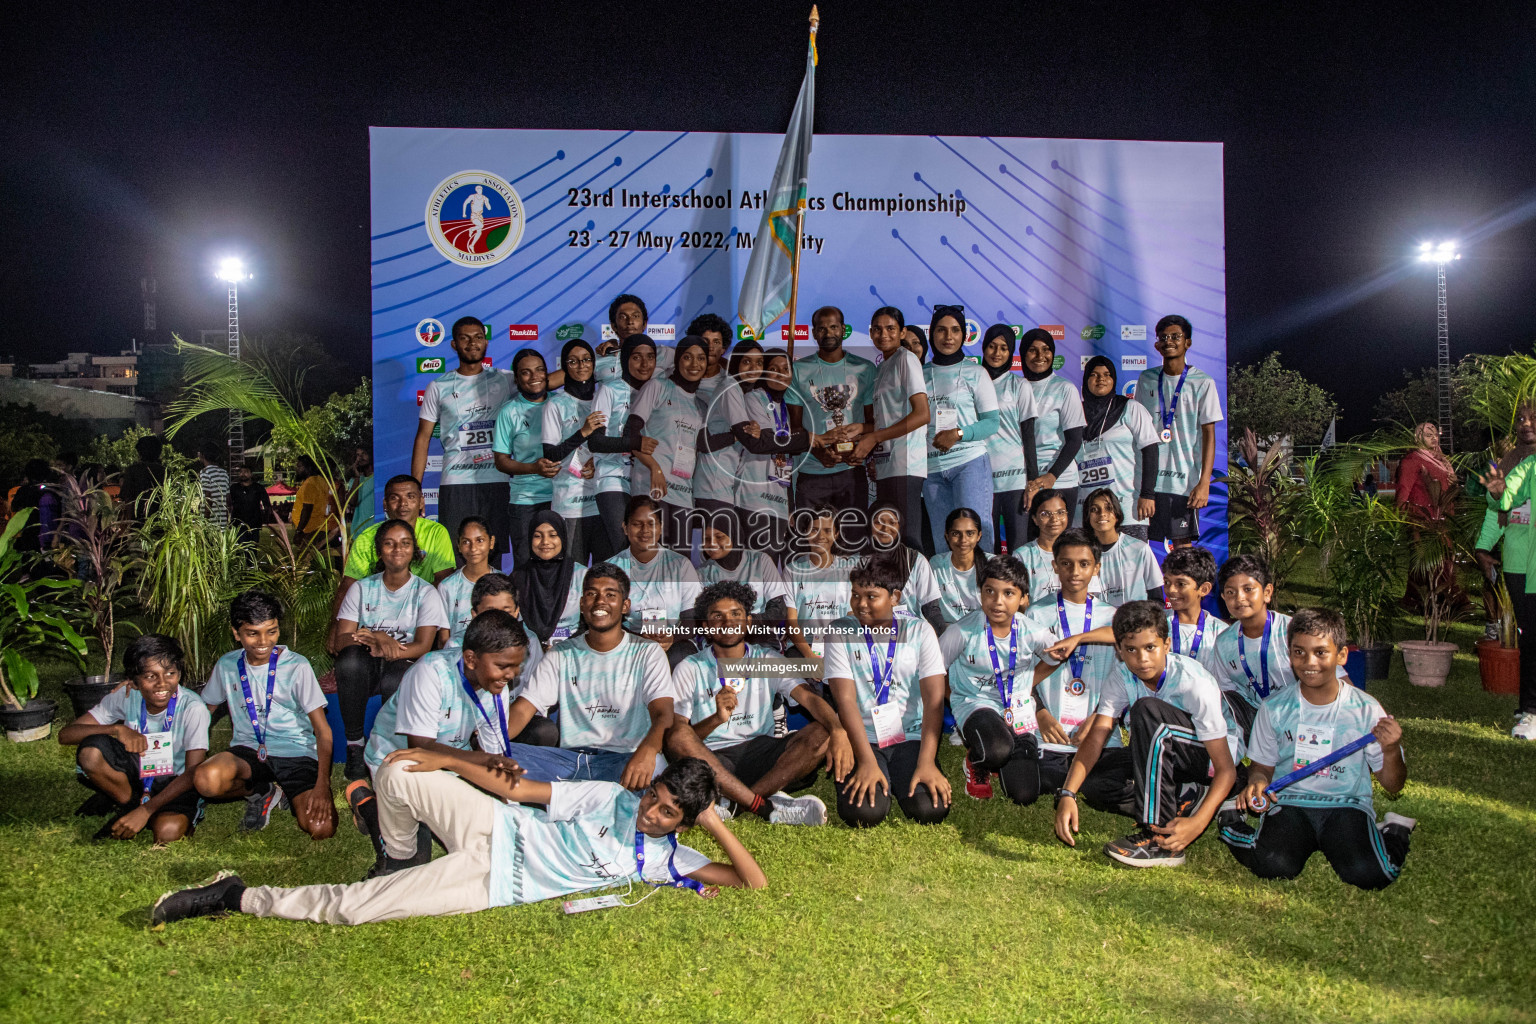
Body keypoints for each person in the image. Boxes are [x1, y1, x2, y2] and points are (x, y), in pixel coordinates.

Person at [151, 756, 764, 927]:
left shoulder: (667, 858)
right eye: (654, 800)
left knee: (352, 910)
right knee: (397, 772)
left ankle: (236, 896)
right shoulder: (611, 796)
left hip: (490, 881)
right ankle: (399, 850)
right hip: (495, 826)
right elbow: (521, 794)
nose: (652, 815)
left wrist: (711, 823)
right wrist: (441, 759)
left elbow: (750, 882)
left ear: (683, 822)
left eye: (667, 814)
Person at [1219, 608, 1414, 889]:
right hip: (1291, 804)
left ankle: (1395, 830)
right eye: (1299, 652)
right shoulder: (1273, 708)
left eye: (1321, 652)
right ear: (1290, 654)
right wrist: (1258, 781)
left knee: (1370, 874)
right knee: (1273, 864)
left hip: (1346, 805)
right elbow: (1262, 766)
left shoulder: (1366, 709)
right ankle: (1229, 819)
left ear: (1342, 656)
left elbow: (1393, 786)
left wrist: (1392, 749)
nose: (1309, 662)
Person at [1054, 601, 1241, 868]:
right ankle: (1184, 797)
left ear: (1166, 645)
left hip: (1209, 759)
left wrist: (1198, 825)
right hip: (1162, 751)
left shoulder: (1192, 683)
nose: (1142, 659)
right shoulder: (1121, 677)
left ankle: (1160, 838)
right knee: (1096, 782)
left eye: (1150, 648)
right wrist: (1067, 794)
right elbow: (1097, 737)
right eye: (1131, 649)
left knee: (1148, 712)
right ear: (1119, 650)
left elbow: (1226, 768)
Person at [351, 610, 534, 871]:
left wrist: (512, 808)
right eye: (503, 666)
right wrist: (479, 759)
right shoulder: (430, 672)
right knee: (412, 863)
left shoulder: (496, 688)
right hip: (399, 763)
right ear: (471, 659)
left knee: (489, 834)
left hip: (452, 763)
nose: (510, 675)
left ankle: (399, 812)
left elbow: (494, 754)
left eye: (516, 666)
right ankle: (369, 806)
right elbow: (420, 749)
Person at [666, 581, 849, 823]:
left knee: (822, 732)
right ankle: (768, 806)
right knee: (679, 739)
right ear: (705, 627)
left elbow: (810, 699)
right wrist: (716, 719)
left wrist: (838, 729)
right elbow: (676, 740)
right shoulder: (691, 667)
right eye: (717, 616)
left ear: (748, 621)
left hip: (759, 754)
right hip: (713, 758)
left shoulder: (767, 659)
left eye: (736, 614)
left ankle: (738, 804)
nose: (728, 623)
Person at [496, 563, 678, 786]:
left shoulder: (647, 652)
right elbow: (524, 709)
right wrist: (492, 742)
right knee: (501, 757)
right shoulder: (562, 654)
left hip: (624, 760)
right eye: (592, 594)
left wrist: (648, 751)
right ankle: (587, 796)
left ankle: (569, 797)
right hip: (570, 761)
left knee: (658, 767)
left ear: (625, 606)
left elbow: (664, 715)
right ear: (582, 604)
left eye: (610, 594)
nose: (600, 601)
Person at [195, 591, 336, 838]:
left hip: (296, 753)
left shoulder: (297, 666)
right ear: (236, 633)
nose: (263, 641)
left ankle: (292, 791)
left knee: (320, 828)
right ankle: (263, 792)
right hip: (249, 750)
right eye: (253, 633)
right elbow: (204, 710)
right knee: (206, 780)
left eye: (271, 631)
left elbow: (323, 732)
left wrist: (323, 785)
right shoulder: (227, 665)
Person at [825, 562, 950, 827]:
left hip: (910, 735)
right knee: (864, 814)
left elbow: (934, 702)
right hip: (863, 739)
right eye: (856, 594)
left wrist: (927, 762)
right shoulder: (839, 631)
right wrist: (867, 761)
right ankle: (881, 772)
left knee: (930, 810)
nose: (861, 604)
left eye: (871, 596)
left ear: (894, 597)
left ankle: (898, 774)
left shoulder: (920, 631)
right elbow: (845, 701)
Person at [59, 634, 210, 843]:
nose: (162, 684)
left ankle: (137, 809)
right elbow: (66, 734)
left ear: (179, 673)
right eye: (150, 676)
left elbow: (194, 771)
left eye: (170, 673)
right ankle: (129, 804)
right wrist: (115, 729)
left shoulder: (193, 709)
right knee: (91, 753)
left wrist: (146, 811)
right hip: (139, 773)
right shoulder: (128, 695)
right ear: (134, 681)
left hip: (177, 784)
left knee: (168, 832)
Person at [333, 518, 451, 780]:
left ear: (415, 551)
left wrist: (388, 646)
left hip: (404, 660)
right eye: (389, 543)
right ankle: (354, 745)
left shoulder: (426, 592)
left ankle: (389, 749)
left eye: (405, 543)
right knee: (349, 661)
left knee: (397, 678)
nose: (397, 549)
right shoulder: (362, 588)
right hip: (367, 662)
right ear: (379, 550)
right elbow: (341, 641)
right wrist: (375, 638)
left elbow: (421, 646)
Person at [940, 556, 1055, 803]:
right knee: (996, 751)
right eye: (990, 591)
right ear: (980, 593)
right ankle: (976, 760)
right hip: (976, 705)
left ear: (1023, 598)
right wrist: (957, 696)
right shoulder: (961, 631)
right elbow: (932, 671)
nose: (997, 601)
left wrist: (1027, 685)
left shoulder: (1032, 631)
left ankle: (1006, 745)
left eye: (1008, 593)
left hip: (1018, 711)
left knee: (1023, 795)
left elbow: (1055, 658)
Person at [412, 315, 513, 561]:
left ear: (486, 342)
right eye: (464, 338)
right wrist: (415, 492)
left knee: (493, 556)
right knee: (456, 555)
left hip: (496, 479)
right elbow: (423, 438)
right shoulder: (438, 386)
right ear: (454, 345)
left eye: (478, 337)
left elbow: (546, 381)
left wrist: (599, 359)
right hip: (456, 481)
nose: (472, 343)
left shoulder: (505, 379)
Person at [787, 306, 876, 552]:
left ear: (843, 330)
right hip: (812, 471)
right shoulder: (798, 370)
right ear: (814, 333)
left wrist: (861, 451)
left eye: (834, 326)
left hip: (851, 470)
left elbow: (873, 423)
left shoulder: (865, 369)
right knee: (809, 545)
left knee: (852, 542)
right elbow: (795, 427)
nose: (828, 332)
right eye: (822, 328)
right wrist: (818, 452)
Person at [1132, 315, 1223, 548]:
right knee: (1140, 545)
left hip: (1184, 484)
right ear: (1156, 345)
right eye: (1163, 337)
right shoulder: (1146, 379)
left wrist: (1204, 483)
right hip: (1149, 483)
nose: (1169, 341)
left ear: (1188, 343)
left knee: (1182, 549)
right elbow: (1138, 430)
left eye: (1175, 336)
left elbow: (1209, 436)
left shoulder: (1203, 382)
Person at [920, 305, 999, 554]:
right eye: (941, 330)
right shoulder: (919, 374)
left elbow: (991, 422)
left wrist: (959, 433)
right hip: (931, 469)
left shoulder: (976, 372)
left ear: (964, 335)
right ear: (932, 334)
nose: (948, 337)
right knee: (943, 543)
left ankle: (984, 590)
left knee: (977, 540)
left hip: (969, 464)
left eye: (955, 330)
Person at [856, 306, 930, 552]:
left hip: (906, 462)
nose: (883, 334)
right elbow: (888, 419)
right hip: (887, 463)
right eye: (877, 329)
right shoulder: (882, 366)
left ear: (902, 332)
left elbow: (922, 414)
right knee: (889, 538)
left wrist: (874, 436)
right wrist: (862, 430)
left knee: (907, 537)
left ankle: (917, 590)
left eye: (890, 328)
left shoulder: (906, 358)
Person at [628, 335, 708, 549]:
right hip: (651, 490)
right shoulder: (657, 387)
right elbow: (630, 435)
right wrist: (655, 467)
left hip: (683, 496)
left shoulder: (701, 405)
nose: (695, 364)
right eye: (688, 357)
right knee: (650, 559)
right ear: (678, 359)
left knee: (678, 566)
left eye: (701, 358)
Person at [585, 335, 661, 561]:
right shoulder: (609, 390)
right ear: (625, 359)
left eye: (650, 357)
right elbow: (595, 441)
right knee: (623, 548)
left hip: (646, 479)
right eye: (637, 357)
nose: (645, 364)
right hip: (613, 477)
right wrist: (633, 443)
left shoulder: (660, 390)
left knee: (648, 550)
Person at [608, 495, 703, 665]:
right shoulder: (611, 569)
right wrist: (639, 638)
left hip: (673, 642)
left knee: (682, 659)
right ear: (625, 528)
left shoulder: (680, 565)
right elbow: (606, 621)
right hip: (627, 642)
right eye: (637, 524)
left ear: (661, 527)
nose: (645, 530)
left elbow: (692, 618)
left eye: (651, 524)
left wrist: (671, 637)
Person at [737, 347, 811, 562]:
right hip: (753, 498)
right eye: (772, 368)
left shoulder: (790, 408)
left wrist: (789, 506)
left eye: (785, 369)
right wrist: (806, 438)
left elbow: (785, 453)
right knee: (759, 564)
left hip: (779, 499)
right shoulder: (753, 398)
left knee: (774, 566)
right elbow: (764, 441)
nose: (779, 374)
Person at [337, 475, 456, 610]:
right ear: (385, 504)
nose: (402, 504)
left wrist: (408, 608)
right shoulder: (367, 537)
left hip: (422, 609)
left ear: (421, 502)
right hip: (378, 611)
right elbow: (349, 585)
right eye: (394, 498)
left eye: (410, 497)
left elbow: (444, 581)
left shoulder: (436, 532)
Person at [1212, 553, 1295, 743]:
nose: (1239, 598)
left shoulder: (1293, 632)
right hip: (1255, 720)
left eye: (1248, 589)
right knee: (1221, 702)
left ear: (1267, 592)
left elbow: (1336, 681)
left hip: (1297, 715)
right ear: (1223, 597)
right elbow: (1227, 697)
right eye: (1231, 592)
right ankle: (1230, 764)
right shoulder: (1224, 642)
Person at [1077, 356, 1159, 539]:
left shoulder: (1130, 408)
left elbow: (1151, 451)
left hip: (1127, 509)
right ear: (1085, 381)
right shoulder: (1075, 412)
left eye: (1107, 375)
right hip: (1086, 513)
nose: (1101, 379)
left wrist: (1148, 494)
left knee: (1131, 567)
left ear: (1114, 379)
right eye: (1094, 375)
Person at [492, 348, 560, 568]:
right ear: (517, 378)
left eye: (540, 370)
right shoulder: (509, 411)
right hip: (525, 500)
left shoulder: (562, 404)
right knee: (526, 567)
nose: (535, 377)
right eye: (526, 372)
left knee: (558, 565)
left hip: (562, 497)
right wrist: (534, 468)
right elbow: (501, 461)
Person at [541, 339, 604, 565]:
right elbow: (551, 454)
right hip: (570, 506)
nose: (581, 365)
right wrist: (583, 431)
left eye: (587, 359)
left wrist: (597, 462)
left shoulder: (604, 399)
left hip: (602, 503)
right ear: (565, 366)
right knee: (572, 577)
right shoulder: (556, 405)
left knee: (603, 576)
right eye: (573, 361)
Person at [980, 324, 1039, 557]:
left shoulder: (1019, 385)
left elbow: (1029, 437)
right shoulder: (974, 380)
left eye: (1004, 348)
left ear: (1011, 352)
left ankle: (1023, 593)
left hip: (1014, 478)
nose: (997, 353)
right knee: (986, 545)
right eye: (992, 346)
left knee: (1019, 546)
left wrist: (1032, 482)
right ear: (984, 348)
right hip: (981, 477)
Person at [1019, 328, 1086, 531]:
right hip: (1021, 480)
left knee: (1059, 548)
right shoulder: (1015, 386)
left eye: (1046, 349)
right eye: (1033, 350)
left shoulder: (1064, 388)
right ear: (1023, 354)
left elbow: (1074, 440)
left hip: (1059, 480)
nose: (1040, 356)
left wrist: (1050, 477)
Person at [693, 336, 757, 546]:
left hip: (722, 486)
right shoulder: (731, 386)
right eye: (747, 362)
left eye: (759, 363)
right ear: (736, 362)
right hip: (714, 484)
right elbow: (745, 434)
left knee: (718, 549)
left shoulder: (741, 391)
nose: (753, 368)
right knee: (719, 549)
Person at [1399, 420, 1461, 612]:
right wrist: (1399, 516)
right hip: (1423, 519)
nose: (1434, 437)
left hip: (1443, 518)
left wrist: (1454, 481)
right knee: (1430, 560)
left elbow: (1450, 488)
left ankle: (1438, 599)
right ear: (1418, 438)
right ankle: (1427, 600)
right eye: (1428, 435)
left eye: (1435, 434)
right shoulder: (1413, 459)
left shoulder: (1441, 459)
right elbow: (1404, 490)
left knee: (1443, 559)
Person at [784, 505, 857, 661]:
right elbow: (791, 621)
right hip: (803, 647)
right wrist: (810, 656)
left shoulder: (848, 569)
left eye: (827, 531)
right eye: (814, 529)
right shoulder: (792, 571)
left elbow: (851, 616)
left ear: (836, 534)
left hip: (839, 645)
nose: (820, 536)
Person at [699, 521, 790, 637]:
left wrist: (748, 623)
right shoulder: (701, 573)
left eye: (719, 537)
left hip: (759, 635)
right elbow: (702, 616)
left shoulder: (761, 561)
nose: (711, 543)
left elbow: (778, 610)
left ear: (734, 536)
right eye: (706, 539)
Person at [512, 510, 585, 647]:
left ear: (562, 538)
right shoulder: (519, 578)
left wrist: (563, 649)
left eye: (553, 535)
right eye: (538, 536)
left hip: (574, 651)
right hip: (530, 654)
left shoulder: (581, 575)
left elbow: (589, 623)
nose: (545, 542)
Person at [868, 501, 943, 634]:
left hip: (911, 635)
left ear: (900, 526)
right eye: (879, 522)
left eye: (892, 523)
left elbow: (931, 610)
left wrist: (944, 634)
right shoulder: (857, 562)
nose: (885, 529)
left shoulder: (915, 560)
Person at [1082, 488, 1164, 605]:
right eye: (1094, 509)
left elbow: (1157, 599)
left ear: (1117, 513)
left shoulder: (1139, 548)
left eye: (1108, 508)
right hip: (1098, 622)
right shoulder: (1082, 554)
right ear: (1087, 516)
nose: (1102, 514)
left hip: (1136, 620)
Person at [1161, 545, 1228, 678]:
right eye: (1167, 582)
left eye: (1181, 584)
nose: (1171, 590)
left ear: (1204, 589)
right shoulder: (1155, 624)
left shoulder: (1221, 634)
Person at [436, 516, 499, 648]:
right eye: (466, 542)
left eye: (480, 541)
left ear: (491, 542)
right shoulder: (447, 587)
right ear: (458, 545)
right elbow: (444, 639)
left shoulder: (503, 583)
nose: (473, 548)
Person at [928, 506, 991, 627]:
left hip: (984, 630)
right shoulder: (936, 564)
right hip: (948, 631)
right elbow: (930, 609)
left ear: (979, 536)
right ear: (947, 536)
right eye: (956, 533)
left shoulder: (992, 564)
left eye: (970, 533)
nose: (963, 540)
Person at [290, 455, 337, 547]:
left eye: (299, 466)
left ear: (307, 468)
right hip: (320, 528)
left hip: (309, 530)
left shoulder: (309, 484)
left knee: (305, 559)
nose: (297, 469)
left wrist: (299, 531)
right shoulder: (321, 480)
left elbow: (307, 509)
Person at [118, 433, 167, 519]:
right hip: (159, 520)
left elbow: (128, 499)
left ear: (140, 452)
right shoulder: (164, 471)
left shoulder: (133, 470)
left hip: (137, 519)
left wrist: (127, 523)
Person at [687, 312, 733, 401]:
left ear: (723, 348)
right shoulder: (678, 377)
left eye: (716, 342)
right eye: (705, 341)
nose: (710, 347)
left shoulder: (729, 383)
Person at [228, 463, 275, 545]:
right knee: (241, 548)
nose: (243, 474)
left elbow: (266, 504)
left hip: (254, 523)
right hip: (238, 523)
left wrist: (267, 519)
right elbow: (228, 503)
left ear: (251, 474)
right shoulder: (234, 488)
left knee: (252, 548)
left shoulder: (258, 488)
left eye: (245, 472)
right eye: (241, 472)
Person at [196, 442, 230, 529]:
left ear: (203, 455)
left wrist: (205, 520)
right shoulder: (224, 473)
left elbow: (208, 497)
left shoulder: (204, 473)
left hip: (210, 523)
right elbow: (227, 498)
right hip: (222, 521)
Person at [347, 447, 375, 537]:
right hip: (359, 531)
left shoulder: (378, 478)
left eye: (364, 453)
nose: (360, 457)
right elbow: (351, 502)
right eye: (358, 455)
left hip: (376, 528)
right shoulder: (355, 480)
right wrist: (357, 477)